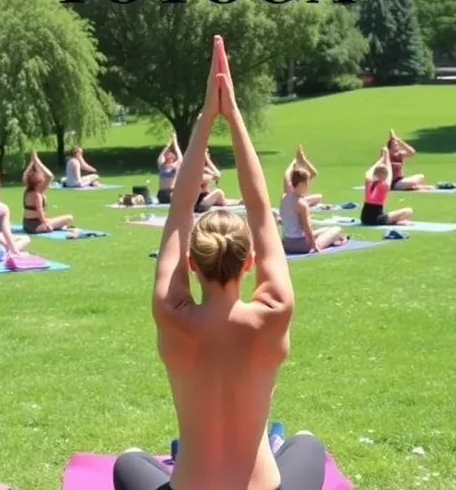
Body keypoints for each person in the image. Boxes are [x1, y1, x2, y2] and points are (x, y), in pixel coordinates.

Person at [113, 35, 328, 490]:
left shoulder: (172, 315)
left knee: (128, 460)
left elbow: (179, 210)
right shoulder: (273, 313)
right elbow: (261, 210)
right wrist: (232, 116)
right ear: (249, 263)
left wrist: (205, 121)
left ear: (191, 264)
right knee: (307, 442)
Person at [280, 168, 347, 254]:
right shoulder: (301, 204)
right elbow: (307, 227)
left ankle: (335, 239)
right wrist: (314, 246)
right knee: (337, 229)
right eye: (307, 182)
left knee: (326, 229)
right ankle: (335, 240)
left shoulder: (284, 198)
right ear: (303, 183)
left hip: (286, 243)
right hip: (301, 245)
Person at [22, 152, 73, 233]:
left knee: (58, 220)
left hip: (26, 224)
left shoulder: (27, 189)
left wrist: (32, 163)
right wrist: (37, 161)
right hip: (37, 225)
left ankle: (56, 226)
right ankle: (56, 226)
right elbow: (40, 212)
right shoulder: (37, 195)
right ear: (38, 184)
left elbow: (25, 175)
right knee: (69, 218)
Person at [361, 148, 413, 226]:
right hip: (376, 219)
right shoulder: (384, 185)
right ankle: (395, 222)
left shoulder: (369, 181)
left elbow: (369, 171)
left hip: (364, 218)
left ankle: (394, 221)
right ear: (384, 175)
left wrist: (382, 158)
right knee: (409, 210)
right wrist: (387, 157)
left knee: (390, 214)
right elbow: (390, 172)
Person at [157, 134, 183, 204]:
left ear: (173, 156)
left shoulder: (175, 165)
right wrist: (169, 143)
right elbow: (161, 156)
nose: (167, 155)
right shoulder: (161, 165)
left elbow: (180, 157)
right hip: (162, 192)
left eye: (169, 153)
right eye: (167, 153)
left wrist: (175, 142)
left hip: (172, 192)